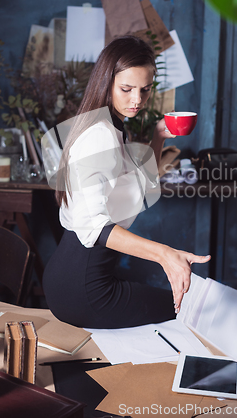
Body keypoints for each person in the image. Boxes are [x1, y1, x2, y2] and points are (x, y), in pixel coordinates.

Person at [42, 35, 210, 329]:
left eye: (145, 89)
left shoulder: (111, 126)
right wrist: (165, 256)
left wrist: (158, 136)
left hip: (76, 278)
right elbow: (93, 226)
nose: (137, 99)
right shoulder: (100, 136)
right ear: (106, 82)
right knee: (192, 314)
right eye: (126, 89)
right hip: (84, 289)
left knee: (188, 310)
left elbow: (142, 185)